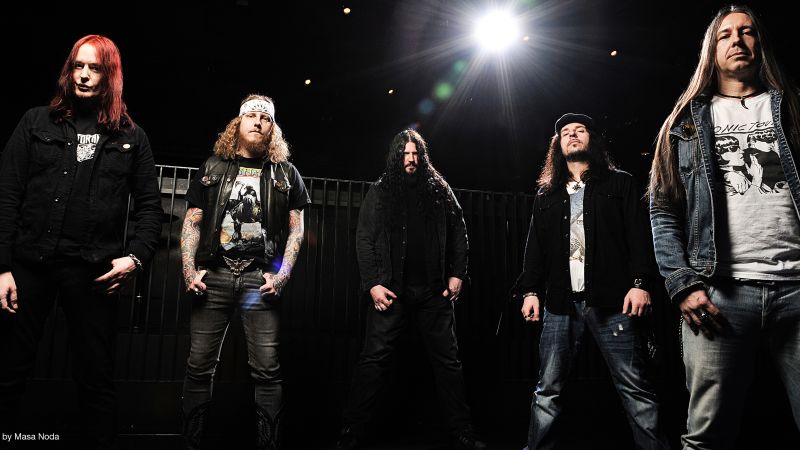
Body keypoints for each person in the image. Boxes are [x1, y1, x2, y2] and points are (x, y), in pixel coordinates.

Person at [649, 5, 800, 448]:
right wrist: (683, 284)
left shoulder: (793, 109)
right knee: (707, 437)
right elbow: (662, 209)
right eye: (725, 34)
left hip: (797, 287)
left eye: (747, 32)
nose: (737, 40)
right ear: (711, 50)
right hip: (719, 294)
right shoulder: (684, 123)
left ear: (760, 44)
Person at [0, 34, 162, 448]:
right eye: (78, 66)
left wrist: (136, 258)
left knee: (96, 378)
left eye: (95, 68)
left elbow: (150, 209)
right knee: (9, 371)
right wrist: (2, 267)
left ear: (111, 75)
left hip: (92, 273)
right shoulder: (35, 122)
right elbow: (8, 195)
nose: (84, 75)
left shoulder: (132, 137)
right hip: (30, 266)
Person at [515, 113, 669, 450]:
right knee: (548, 390)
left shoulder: (620, 183)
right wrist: (530, 291)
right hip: (560, 304)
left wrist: (640, 283)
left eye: (580, 130)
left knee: (635, 388)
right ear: (558, 145)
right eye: (565, 133)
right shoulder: (547, 194)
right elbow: (535, 248)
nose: (572, 135)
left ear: (592, 139)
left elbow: (639, 237)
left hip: (613, 301)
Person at [336, 129, 485, 450]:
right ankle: (351, 431)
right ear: (396, 156)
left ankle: (463, 431)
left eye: (415, 153)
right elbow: (364, 238)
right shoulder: (381, 191)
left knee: (449, 362)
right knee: (373, 360)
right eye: (405, 153)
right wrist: (373, 283)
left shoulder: (439, 189)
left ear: (422, 156)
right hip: (392, 291)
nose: (411, 159)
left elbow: (459, 231)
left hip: (434, 292)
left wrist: (458, 274)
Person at [180, 94, 310, 450]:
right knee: (198, 367)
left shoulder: (286, 173)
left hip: (259, 279)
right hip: (214, 276)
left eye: (265, 118)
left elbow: (297, 231)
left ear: (272, 128)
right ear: (238, 123)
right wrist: (190, 272)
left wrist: (281, 276)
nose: (258, 122)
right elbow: (192, 222)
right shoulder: (213, 166)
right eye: (251, 115)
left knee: (267, 370)